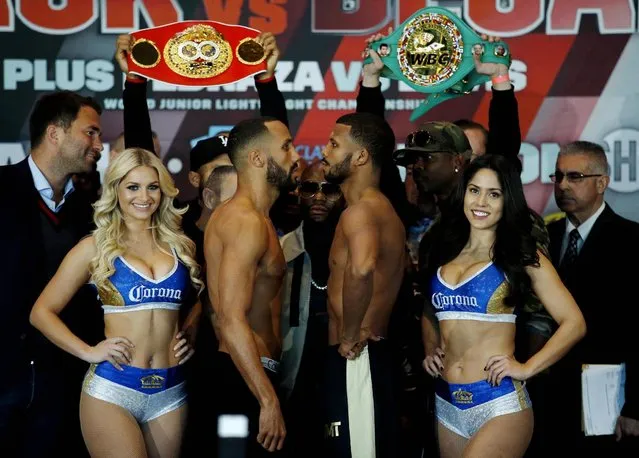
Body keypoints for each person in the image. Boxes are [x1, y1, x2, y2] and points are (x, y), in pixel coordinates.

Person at [29, 148, 203, 458]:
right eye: (132, 187)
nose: (144, 196)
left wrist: (190, 328)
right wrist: (89, 351)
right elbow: (41, 312)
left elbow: (205, 300)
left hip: (171, 391)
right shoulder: (96, 246)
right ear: (116, 190)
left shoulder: (180, 245)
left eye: (152, 186)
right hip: (113, 390)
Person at [421, 154, 586, 457]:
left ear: (506, 200)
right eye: (474, 190)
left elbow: (574, 322)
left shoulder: (522, 255)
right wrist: (431, 348)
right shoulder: (443, 248)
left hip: (499, 403)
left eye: (493, 194)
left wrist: (526, 368)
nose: (481, 202)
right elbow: (430, 312)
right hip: (447, 402)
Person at [0, 90, 104, 458]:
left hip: (68, 376)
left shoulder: (93, 209)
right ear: (54, 133)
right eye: (90, 133)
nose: (99, 145)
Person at [204, 117, 300, 456]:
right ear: (258, 158)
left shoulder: (256, 219)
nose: (296, 155)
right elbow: (230, 318)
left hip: (249, 377)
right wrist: (267, 400)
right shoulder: (245, 221)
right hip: (240, 380)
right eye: (287, 147)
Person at [320, 112, 406, 458]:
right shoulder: (374, 209)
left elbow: (362, 268)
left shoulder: (362, 212)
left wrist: (350, 333)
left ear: (360, 156)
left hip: (358, 356)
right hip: (359, 358)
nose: (325, 151)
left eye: (334, 144)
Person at [545, 141, 639, 455]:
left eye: (575, 177)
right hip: (547, 396)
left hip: (609, 399)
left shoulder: (632, 241)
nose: (563, 185)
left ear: (602, 183)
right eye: (557, 176)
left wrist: (636, 407)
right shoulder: (545, 238)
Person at [279, 160, 345, 457]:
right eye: (309, 188)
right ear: (297, 193)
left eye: (329, 189)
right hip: (293, 381)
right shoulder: (278, 251)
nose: (319, 197)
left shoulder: (357, 252)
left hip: (342, 377)